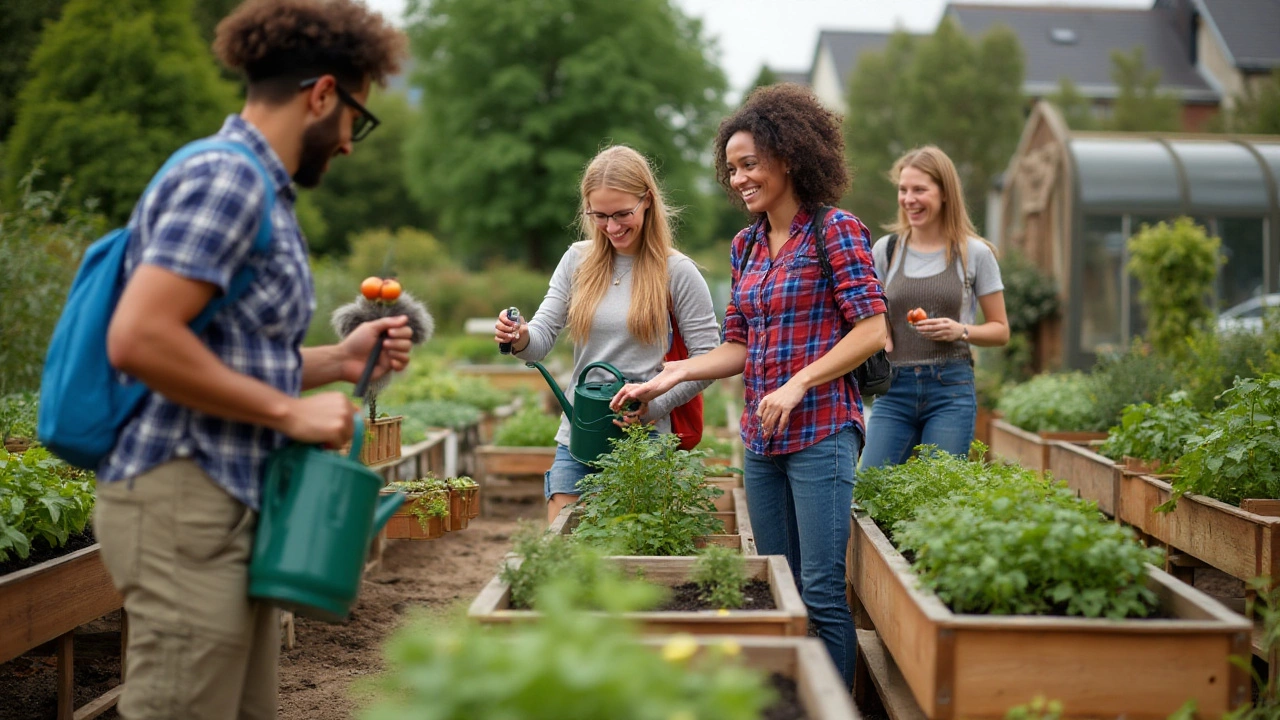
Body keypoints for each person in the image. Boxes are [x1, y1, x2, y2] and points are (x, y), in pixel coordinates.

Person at [94, 2, 410, 718]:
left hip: (230, 498)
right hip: (184, 500)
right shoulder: (227, 177)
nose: (351, 144)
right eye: (356, 119)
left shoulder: (260, 189)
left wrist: (337, 359)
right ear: (323, 94)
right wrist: (287, 410)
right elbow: (139, 337)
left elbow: (222, 351)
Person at [610, 83, 887, 686]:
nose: (738, 179)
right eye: (731, 168)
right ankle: (792, 696)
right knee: (777, 583)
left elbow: (872, 330)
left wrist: (798, 383)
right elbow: (738, 345)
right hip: (762, 441)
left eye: (750, 165)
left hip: (821, 431)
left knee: (820, 589)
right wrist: (672, 374)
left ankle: (834, 702)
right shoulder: (747, 246)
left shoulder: (834, 231)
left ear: (789, 158)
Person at [494, 145, 720, 525]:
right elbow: (542, 338)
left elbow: (708, 360)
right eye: (599, 216)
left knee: (633, 552)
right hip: (579, 429)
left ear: (647, 201)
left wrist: (655, 406)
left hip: (643, 437)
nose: (612, 227)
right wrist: (518, 336)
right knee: (562, 541)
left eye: (622, 214)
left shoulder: (676, 272)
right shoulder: (577, 261)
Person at [860, 146, 1009, 469]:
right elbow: (875, 317)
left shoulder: (975, 254)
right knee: (871, 488)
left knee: (938, 496)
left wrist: (961, 330)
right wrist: (883, 332)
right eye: (903, 190)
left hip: (950, 390)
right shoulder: (886, 250)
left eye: (919, 190)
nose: (908, 199)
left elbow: (1000, 330)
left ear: (944, 194)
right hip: (894, 388)